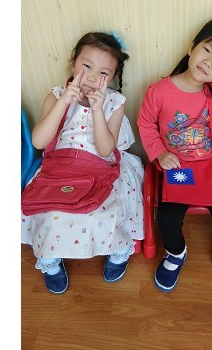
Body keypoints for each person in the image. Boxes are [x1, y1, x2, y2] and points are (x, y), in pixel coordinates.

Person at [136, 17, 212, 292]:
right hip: (180, 167)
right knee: (167, 221)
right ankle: (176, 253)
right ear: (192, 48)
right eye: (207, 50)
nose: (209, 62)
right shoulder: (159, 91)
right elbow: (145, 123)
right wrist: (159, 153)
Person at [21, 32, 144, 294]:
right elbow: (39, 141)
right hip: (60, 167)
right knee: (52, 213)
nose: (91, 77)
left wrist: (98, 110)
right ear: (73, 63)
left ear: (112, 77)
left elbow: (105, 149)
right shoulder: (56, 95)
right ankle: (50, 260)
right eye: (86, 66)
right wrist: (64, 101)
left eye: (103, 73)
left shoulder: (115, 103)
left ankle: (118, 250)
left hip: (98, 167)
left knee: (100, 211)